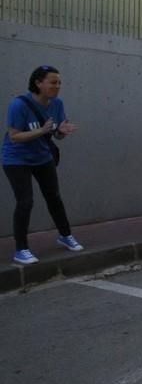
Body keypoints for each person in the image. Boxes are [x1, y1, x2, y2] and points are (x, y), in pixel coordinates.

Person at [3, 65, 82, 264]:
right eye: (53, 82)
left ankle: (65, 235)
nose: (57, 86)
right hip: (16, 159)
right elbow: (14, 137)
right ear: (38, 83)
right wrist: (42, 130)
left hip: (42, 157)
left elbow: (55, 134)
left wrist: (61, 132)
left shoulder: (57, 104)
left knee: (54, 196)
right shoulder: (19, 105)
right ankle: (21, 249)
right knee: (25, 201)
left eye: (59, 83)